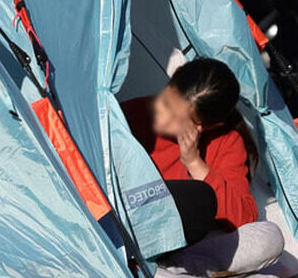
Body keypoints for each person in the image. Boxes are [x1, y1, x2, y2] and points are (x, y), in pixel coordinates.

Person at [123, 58, 289, 277]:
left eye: (177, 118)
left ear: (205, 126)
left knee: (270, 237)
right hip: (136, 238)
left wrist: (194, 162)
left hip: (186, 248)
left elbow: (241, 218)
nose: (162, 115)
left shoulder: (226, 142)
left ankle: (177, 271)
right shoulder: (128, 116)